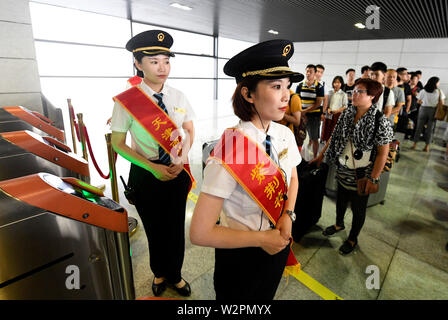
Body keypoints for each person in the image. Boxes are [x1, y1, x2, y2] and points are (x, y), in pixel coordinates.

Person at [190, 39, 303, 300]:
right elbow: (199, 232)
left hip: (278, 243)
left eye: (288, 86)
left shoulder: (284, 134)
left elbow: (293, 178)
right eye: (276, 86)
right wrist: (262, 240)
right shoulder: (230, 150)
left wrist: (288, 214)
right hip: (240, 254)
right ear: (248, 94)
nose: (286, 95)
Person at [110, 30, 195, 297]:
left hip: (176, 170)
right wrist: (152, 168)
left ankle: (176, 275)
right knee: (154, 229)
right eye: (154, 61)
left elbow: (190, 131)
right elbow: (118, 143)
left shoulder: (179, 96)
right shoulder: (128, 101)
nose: (163, 67)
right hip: (146, 173)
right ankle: (159, 273)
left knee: (175, 228)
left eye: (166, 61)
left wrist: (181, 159)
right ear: (138, 64)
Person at [312, 79, 393, 255]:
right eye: (353, 91)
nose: (353, 94)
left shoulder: (380, 121)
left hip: (362, 173)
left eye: (359, 92)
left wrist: (373, 177)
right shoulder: (348, 113)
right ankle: (339, 224)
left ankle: (352, 238)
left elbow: (382, 153)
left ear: (372, 96)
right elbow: (334, 137)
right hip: (343, 166)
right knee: (340, 199)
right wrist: (321, 155)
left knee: (358, 208)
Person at [296, 64, 325, 158]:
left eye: (310, 72)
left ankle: (315, 157)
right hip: (302, 116)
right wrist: (301, 113)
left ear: (315, 73)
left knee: (314, 138)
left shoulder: (319, 87)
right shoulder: (300, 85)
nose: (308, 73)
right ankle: (299, 158)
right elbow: (297, 100)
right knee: (300, 137)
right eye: (307, 71)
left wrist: (305, 111)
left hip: (314, 116)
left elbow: (318, 103)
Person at [411, 77, 446, 152]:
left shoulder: (423, 91)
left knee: (418, 127)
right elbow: (442, 103)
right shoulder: (439, 91)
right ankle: (426, 146)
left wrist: (425, 103)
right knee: (430, 129)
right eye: (438, 82)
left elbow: (418, 101)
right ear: (436, 83)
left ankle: (414, 144)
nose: (439, 83)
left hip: (423, 109)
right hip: (433, 111)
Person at [321, 76, 348, 142]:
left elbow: (345, 106)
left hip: (337, 116)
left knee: (335, 133)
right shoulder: (329, 92)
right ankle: (326, 146)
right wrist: (328, 109)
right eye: (335, 82)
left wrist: (337, 111)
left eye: (338, 82)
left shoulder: (343, 94)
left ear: (341, 84)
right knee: (327, 132)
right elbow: (326, 103)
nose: (336, 84)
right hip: (328, 115)